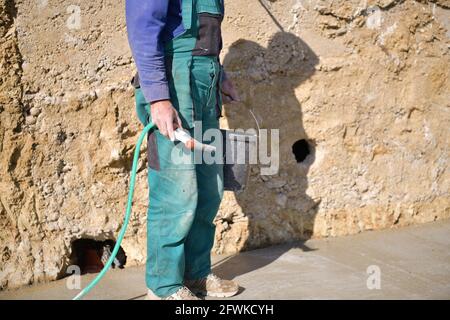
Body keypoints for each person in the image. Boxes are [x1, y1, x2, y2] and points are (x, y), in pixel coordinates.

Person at [125, 0, 240, 300]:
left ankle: (196, 273)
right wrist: (158, 98)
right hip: (174, 83)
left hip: (204, 83)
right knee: (176, 190)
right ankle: (163, 287)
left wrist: (220, 75)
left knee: (209, 187)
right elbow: (143, 29)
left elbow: (207, 35)